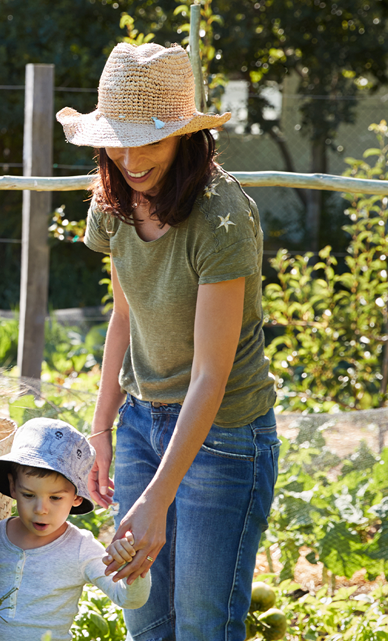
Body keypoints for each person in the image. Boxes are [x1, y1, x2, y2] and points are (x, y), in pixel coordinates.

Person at [56, 42, 279, 639]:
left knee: (205, 625)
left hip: (224, 431)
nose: (130, 158)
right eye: (117, 139)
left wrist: (157, 498)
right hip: (139, 425)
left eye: (149, 140)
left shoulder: (220, 214)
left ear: (185, 136)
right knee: (145, 618)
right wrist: (102, 429)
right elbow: (124, 316)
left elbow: (211, 373)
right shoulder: (113, 199)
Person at [0, 418, 150, 641]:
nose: (41, 509)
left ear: (76, 497)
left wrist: (133, 567)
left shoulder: (80, 548)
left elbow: (128, 600)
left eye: (55, 498)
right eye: (29, 495)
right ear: (13, 486)